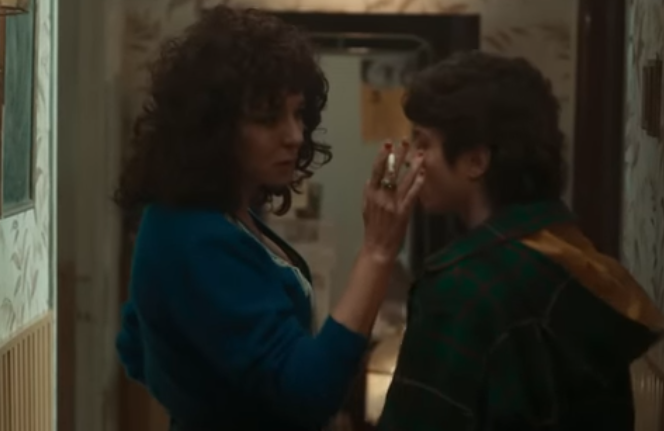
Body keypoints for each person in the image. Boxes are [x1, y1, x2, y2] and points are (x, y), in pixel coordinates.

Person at [113, 6, 424, 431]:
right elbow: (310, 392)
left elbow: (136, 345)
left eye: (298, 113)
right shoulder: (191, 234)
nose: (294, 135)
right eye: (267, 117)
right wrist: (378, 250)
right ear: (213, 126)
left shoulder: (225, 212)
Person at [378, 51, 664, 431]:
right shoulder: (579, 263)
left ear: (476, 162)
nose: (411, 160)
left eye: (423, 143)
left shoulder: (460, 290)